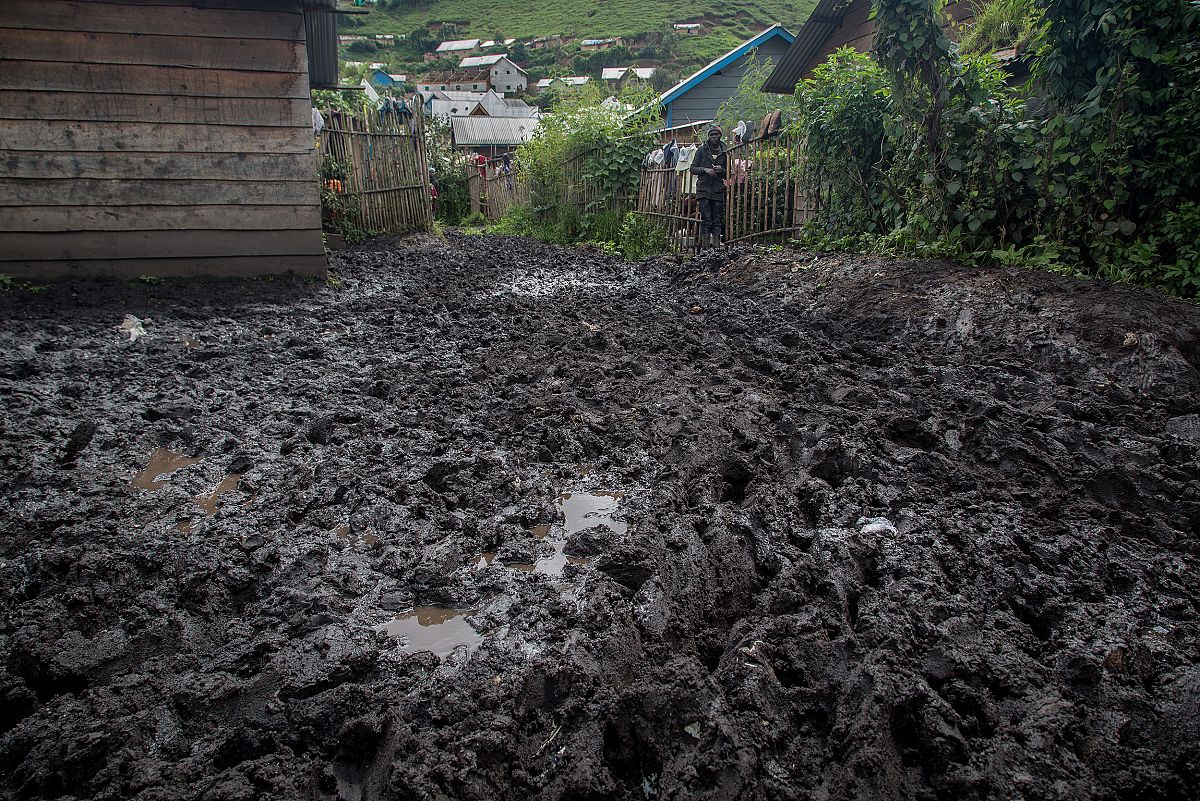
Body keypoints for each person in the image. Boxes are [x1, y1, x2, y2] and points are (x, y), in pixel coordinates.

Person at [690, 125, 727, 249]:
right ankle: (705, 249)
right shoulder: (702, 150)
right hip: (703, 189)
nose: (714, 137)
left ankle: (716, 249)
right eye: (711, 134)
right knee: (706, 219)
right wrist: (705, 170)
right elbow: (693, 168)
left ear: (720, 136)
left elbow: (728, 174)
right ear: (708, 137)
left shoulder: (725, 152)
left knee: (716, 220)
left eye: (716, 134)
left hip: (717, 189)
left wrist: (721, 170)